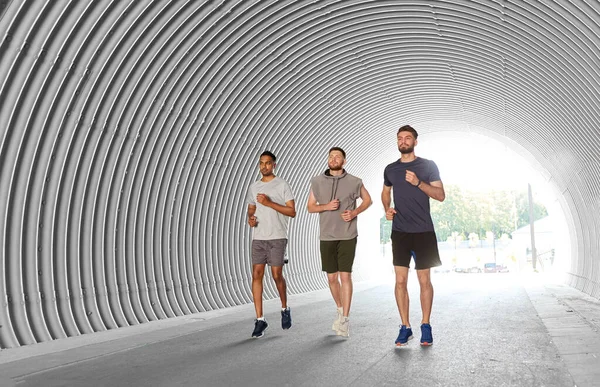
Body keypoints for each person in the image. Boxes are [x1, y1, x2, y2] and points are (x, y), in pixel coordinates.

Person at [381, 125, 446, 347]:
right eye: (400, 138)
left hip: (423, 232)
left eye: (408, 138)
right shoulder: (390, 169)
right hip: (400, 232)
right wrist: (387, 209)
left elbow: (440, 195)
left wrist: (418, 182)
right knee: (400, 281)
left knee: (424, 280)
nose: (403, 141)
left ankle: (425, 325)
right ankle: (405, 327)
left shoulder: (427, 166)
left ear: (415, 142)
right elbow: (385, 191)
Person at [308, 147, 372, 338]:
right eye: (331, 156)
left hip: (347, 235)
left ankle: (345, 318)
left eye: (338, 157)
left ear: (344, 161)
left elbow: (368, 200)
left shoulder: (354, 181)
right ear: (327, 160)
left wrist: (354, 212)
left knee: (345, 277)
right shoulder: (317, 181)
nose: (334, 159)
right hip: (327, 235)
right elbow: (310, 207)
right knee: (331, 278)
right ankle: (339, 307)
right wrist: (326, 206)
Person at [246, 151, 296, 338]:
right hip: (258, 238)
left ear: (274, 165)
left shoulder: (282, 185)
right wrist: (250, 218)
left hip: (277, 236)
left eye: (268, 163)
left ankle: (284, 308)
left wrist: (269, 203)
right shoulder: (254, 187)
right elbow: (251, 209)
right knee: (257, 275)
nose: (264, 166)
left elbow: (292, 212)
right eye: (261, 163)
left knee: (276, 275)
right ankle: (260, 320)